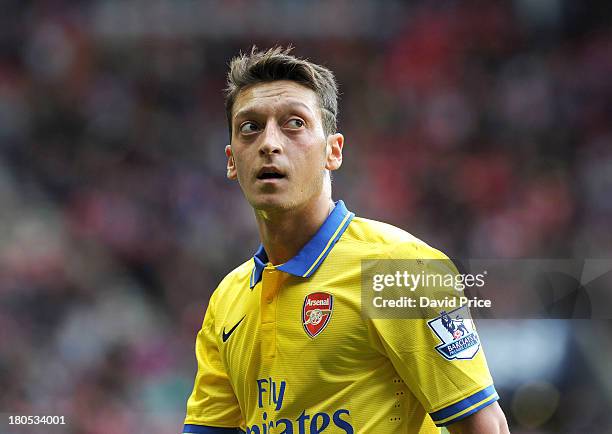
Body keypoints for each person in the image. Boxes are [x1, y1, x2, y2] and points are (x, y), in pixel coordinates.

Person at [182, 46, 509, 434]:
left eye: (294, 124)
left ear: (333, 152)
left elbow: (484, 427)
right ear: (232, 160)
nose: (269, 143)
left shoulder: (401, 269)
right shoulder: (226, 300)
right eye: (250, 127)